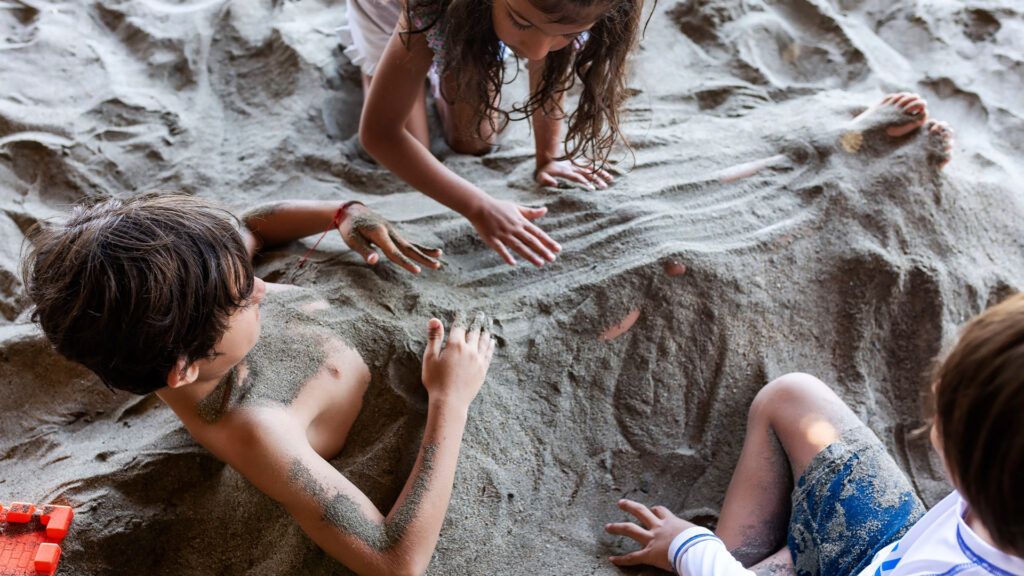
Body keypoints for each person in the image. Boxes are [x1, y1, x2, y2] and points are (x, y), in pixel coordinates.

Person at [23, 193, 496, 576]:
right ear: (185, 368)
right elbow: (395, 560)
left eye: (245, 274)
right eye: (241, 300)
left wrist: (341, 213)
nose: (261, 288)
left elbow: (254, 225)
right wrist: (450, 399)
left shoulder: (190, 296)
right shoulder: (258, 427)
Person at [604, 293, 1024, 575]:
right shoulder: (1003, 492)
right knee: (792, 397)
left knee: (703, 555)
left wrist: (688, 547)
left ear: (971, 461)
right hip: (892, 557)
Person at [349, 0, 649, 267]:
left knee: (476, 140)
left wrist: (548, 157)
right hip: (394, 8)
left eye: (569, 34)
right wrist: (479, 207)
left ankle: (448, 54)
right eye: (522, 22)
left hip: (473, 13)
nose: (536, 50)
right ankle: (376, 65)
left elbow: (549, 65)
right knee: (414, 142)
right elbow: (380, 134)